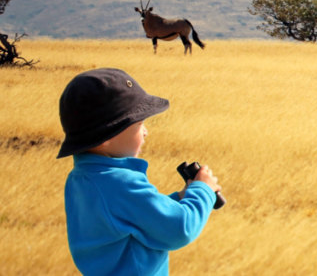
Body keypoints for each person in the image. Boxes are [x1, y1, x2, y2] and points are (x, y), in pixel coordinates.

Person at [56, 68, 222, 275]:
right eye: (140, 124)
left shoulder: (81, 178)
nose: (146, 132)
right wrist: (203, 190)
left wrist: (180, 198)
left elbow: (135, 217)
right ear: (107, 136)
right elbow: (179, 229)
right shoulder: (119, 182)